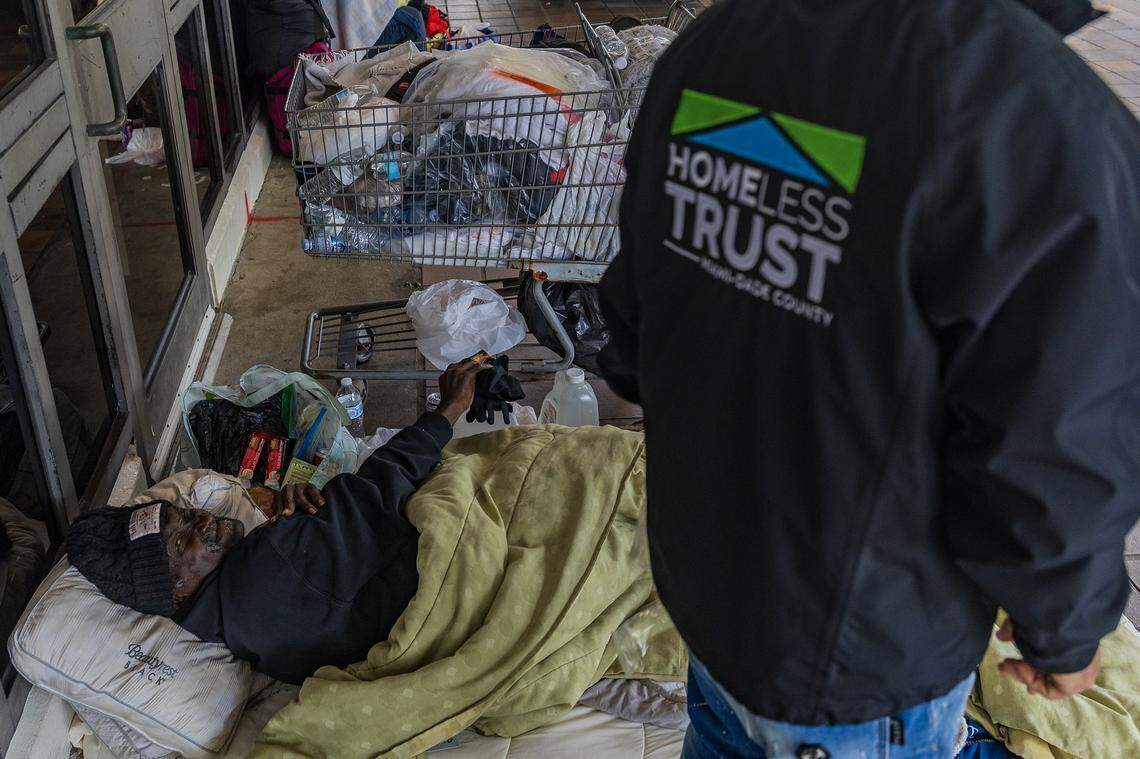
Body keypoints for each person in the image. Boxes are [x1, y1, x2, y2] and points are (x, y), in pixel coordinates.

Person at [598, 0, 1140, 756]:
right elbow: (1056, 438)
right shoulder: (1035, 114)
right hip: (857, 662)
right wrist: (1065, 624)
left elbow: (631, 328)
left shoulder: (718, 43)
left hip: (713, 600)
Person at [65, 360, 482, 685]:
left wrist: (298, 523)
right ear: (176, 595)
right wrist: (448, 410)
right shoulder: (265, 569)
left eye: (188, 515)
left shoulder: (233, 620)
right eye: (180, 545)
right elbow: (376, 491)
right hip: (459, 583)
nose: (204, 521)